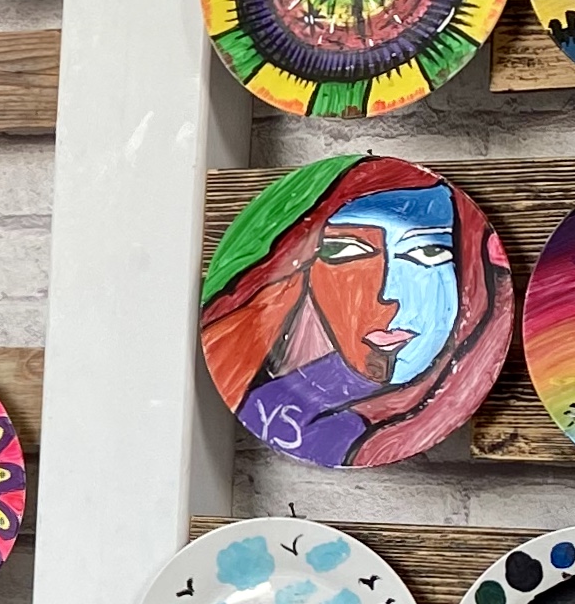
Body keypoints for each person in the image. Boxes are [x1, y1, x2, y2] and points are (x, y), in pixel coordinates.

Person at [199, 159, 509, 467]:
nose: (387, 294)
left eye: (428, 252)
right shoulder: (276, 404)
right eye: (345, 251)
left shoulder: (471, 373)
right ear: (304, 273)